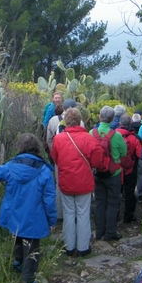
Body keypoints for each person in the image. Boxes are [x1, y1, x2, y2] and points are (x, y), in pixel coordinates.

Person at [0, 133, 56, 283]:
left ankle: (18, 262)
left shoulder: (10, 167)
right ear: (37, 149)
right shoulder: (44, 171)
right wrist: (52, 220)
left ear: (20, 148)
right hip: (34, 218)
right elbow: (49, 200)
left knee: (18, 235)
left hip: (14, 214)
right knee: (32, 251)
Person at [51, 108, 104, 257]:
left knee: (68, 213)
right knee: (83, 214)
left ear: (66, 121)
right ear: (80, 120)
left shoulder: (58, 139)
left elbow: (55, 158)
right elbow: (96, 161)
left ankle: (69, 246)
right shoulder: (88, 138)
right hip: (84, 182)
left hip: (66, 181)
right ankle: (83, 247)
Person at [91, 106, 127, 241]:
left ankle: (99, 231)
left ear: (100, 117)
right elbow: (124, 153)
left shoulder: (91, 133)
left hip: (97, 173)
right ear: (112, 119)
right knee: (113, 202)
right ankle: (110, 232)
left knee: (100, 201)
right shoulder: (116, 135)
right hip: (113, 173)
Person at [47, 99, 80, 220]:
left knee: (60, 184)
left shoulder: (53, 120)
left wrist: (55, 153)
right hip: (77, 158)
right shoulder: (80, 122)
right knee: (77, 183)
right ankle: (75, 212)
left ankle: (60, 214)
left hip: (60, 158)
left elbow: (49, 139)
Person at [115, 113, 142, 223]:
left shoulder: (114, 135)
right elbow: (141, 154)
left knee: (116, 192)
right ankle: (128, 216)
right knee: (130, 193)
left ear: (120, 123)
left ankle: (115, 215)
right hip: (130, 169)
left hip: (116, 169)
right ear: (130, 122)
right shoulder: (134, 137)